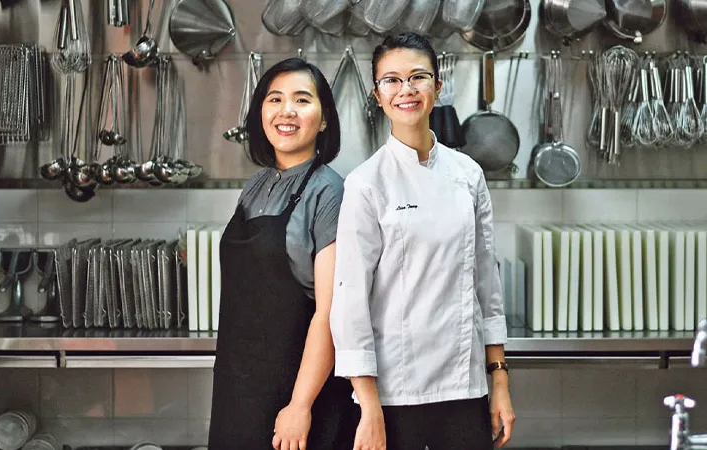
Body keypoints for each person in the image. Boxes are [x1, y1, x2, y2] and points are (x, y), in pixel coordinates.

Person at [329, 32, 516, 450]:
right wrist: (368, 406)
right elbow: (350, 301)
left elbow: (487, 283)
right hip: (396, 393)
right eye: (391, 80)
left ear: (438, 86)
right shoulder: (366, 184)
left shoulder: (469, 175)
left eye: (418, 77)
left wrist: (498, 380)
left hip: (465, 387)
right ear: (377, 95)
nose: (406, 90)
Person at [208, 57, 355, 450]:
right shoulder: (256, 184)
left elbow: (330, 313)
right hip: (238, 388)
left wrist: (300, 405)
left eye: (302, 100)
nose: (286, 110)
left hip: (298, 398)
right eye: (275, 99)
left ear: (324, 119)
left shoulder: (329, 192)